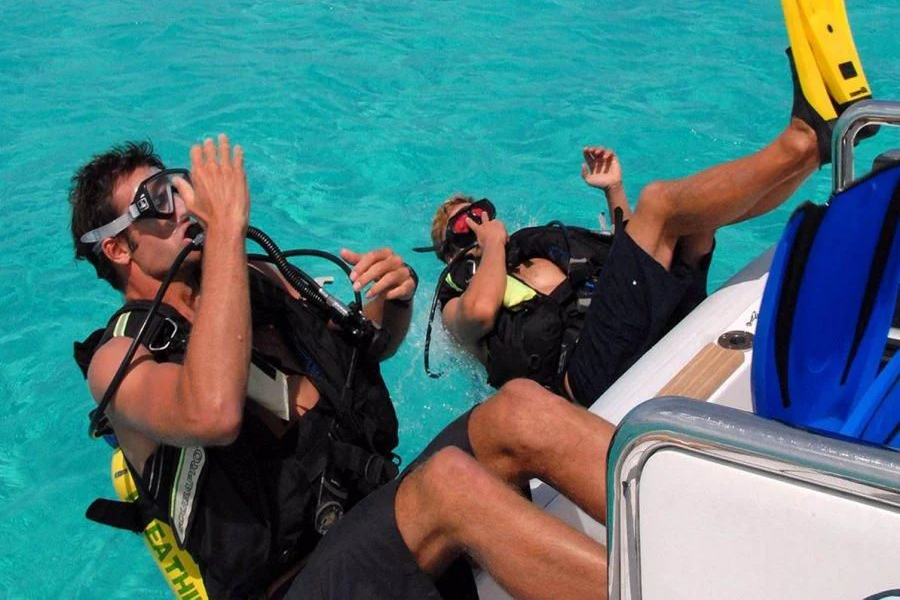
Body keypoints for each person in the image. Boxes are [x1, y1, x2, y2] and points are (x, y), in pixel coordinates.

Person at [70, 135, 618, 599]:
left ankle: (679, 534)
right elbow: (212, 411)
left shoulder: (260, 280)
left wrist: (393, 301)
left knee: (518, 407)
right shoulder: (119, 360)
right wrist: (230, 230)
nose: (185, 205)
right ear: (118, 249)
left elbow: (368, 351)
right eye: (159, 199)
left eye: (180, 185)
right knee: (449, 483)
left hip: (373, 513)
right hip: (294, 582)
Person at [425, 44, 874, 408]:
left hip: (630, 339)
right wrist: (494, 242)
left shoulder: (528, 252)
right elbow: (481, 313)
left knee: (697, 223)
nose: (479, 223)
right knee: (659, 201)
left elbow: (625, 256)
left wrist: (613, 191)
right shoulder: (456, 299)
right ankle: (804, 138)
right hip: (581, 384)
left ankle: (816, 148)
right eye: (463, 225)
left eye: (481, 210)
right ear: (450, 250)